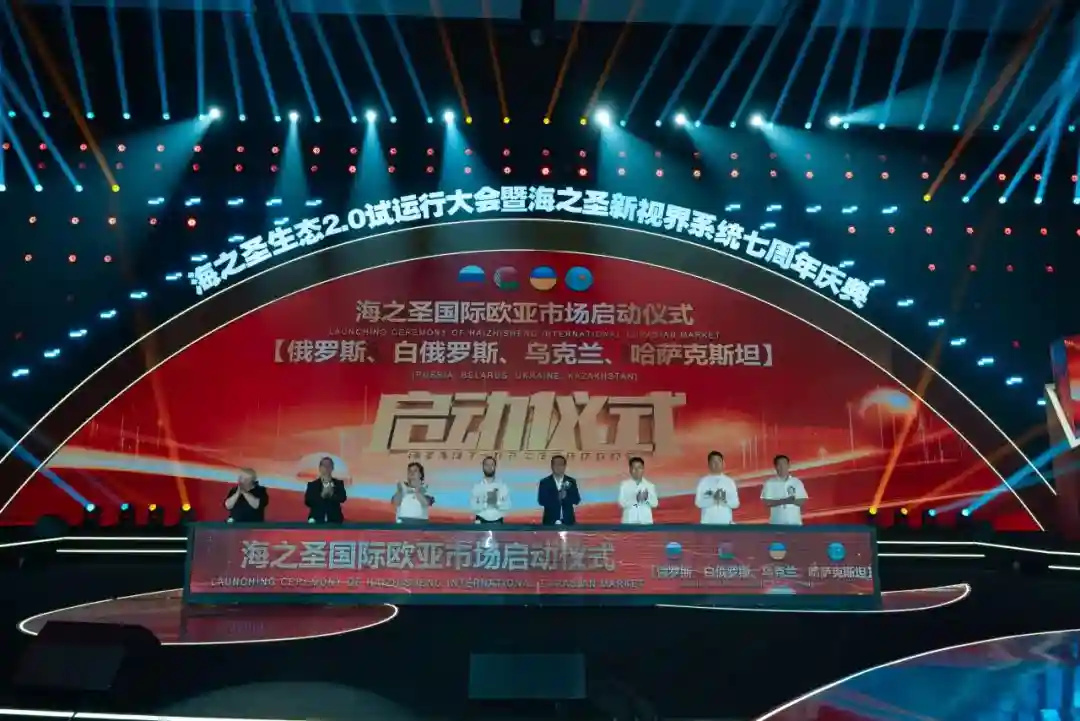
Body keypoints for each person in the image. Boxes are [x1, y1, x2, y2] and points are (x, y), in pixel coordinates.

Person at [694, 451, 740, 525]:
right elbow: (698, 503)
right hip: (707, 524)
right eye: (713, 461)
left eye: (719, 461)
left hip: (726, 523)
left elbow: (736, 504)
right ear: (709, 464)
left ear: (723, 463)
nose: (716, 464)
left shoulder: (729, 482)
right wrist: (713, 500)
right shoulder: (703, 482)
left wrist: (724, 501)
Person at [761, 454, 808, 526]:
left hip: (795, 523)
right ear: (775, 467)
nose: (782, 467)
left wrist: (791, 501)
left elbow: (802, 500)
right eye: (779, 465)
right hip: (776, 523)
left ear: (788, 466)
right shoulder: (769, 483)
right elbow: (767, 502)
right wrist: (784, 501)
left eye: (784, 464)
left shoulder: (796, 482)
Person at [537, 454, 581, 525]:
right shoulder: (545, 482)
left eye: (561, 464)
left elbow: (576, 500)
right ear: (552, 466)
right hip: (550, 521)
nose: (558, 467)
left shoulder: (571, 481)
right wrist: (557, 496)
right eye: (556, 464)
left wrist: (566, 497)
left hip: (568, 521)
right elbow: (541, 501)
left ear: (565, 466)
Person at [305, 456, 347, 524]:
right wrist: (321, 496)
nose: (327, 468)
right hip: (316, 520)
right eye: (324, 466)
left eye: (329, 466)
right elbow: (308, 501)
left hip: (335, 520)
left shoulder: (338, 483)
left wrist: (331, 495)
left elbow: (343, 498)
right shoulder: (312, 485)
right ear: (320, 468)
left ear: (332, 468)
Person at [617, 456, 658, 525]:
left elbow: (655, 504)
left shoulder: (650, 485)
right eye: (634, 468)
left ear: (643, 469)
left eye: (639, 468)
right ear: (630, 470)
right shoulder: (624, 485)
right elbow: (621, 503)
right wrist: (636, 499)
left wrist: (645, 500)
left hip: (645, 521)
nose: (637, 470)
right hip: (629, 521)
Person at [470, 456, 511, 524]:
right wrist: (485, 502)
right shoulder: (477, 487)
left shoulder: (502, 486)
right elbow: (473, 507)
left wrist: (497, 502)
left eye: (492, 465)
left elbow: (507, 506)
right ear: (483, 467)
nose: (489, 467)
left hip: (498, 522)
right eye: (487, 465)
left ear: (495, 467)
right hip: (481, 521)